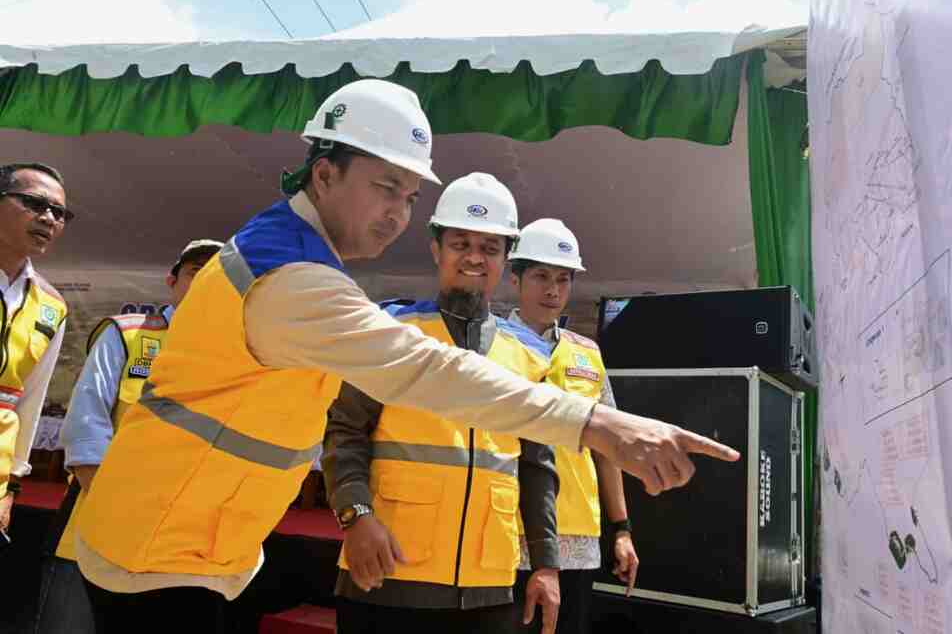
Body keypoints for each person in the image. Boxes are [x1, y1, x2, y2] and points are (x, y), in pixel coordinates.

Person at [72, 79, 739, 630]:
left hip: (196, 541)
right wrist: (600, 423)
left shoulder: (290, 252)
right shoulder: (294, 281)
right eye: (385, 187)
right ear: (325, 173)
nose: (397, 213)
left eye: (410, 196)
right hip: (162, 549)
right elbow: (419, 376)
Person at [324, 173, 562, 634]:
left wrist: (546, 563)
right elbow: (344, 433)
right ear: (436, 250)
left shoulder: (529, 358)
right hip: (388, 575)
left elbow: (537, 466)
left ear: (505, 259)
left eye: (490, 247)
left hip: (489, 588)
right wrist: (355, 516)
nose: (474, 257)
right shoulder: (390, 335)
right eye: (461, 243)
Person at [34, 239, 222, 634]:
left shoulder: (232, 355)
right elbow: (88, 420)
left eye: (219, 273)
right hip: (96, 520)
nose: (206, 280)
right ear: (172, 280)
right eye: (195, 272)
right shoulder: (130, 334)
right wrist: (112, 510)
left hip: (177, 543)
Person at [509, 219, 638, 634]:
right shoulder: (491, 345)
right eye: (541, 276)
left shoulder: (588, 354)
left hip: (579, 541)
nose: (553, 290)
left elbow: (608, 449)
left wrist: (621, 529)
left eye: (563, 280)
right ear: (516, 278)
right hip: (507, 538)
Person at [0, 162, 72, 539]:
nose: (49, 218)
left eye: (59, 213)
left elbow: (29, 400)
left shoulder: (52, 305)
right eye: (34, 203)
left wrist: (10, 487)